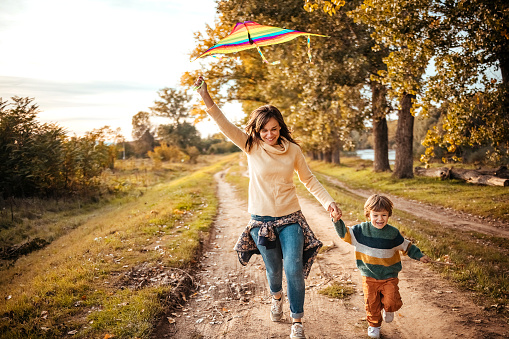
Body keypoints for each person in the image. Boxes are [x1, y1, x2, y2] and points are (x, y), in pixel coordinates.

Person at [193, 76, 342, 339]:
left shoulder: (293, 150)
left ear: (280, 127)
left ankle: (297, 321)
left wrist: (328, 202)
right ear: (257, 131)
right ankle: (276, 298)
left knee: (293, 269)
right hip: (261, 223)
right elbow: (224, 124)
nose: (269, 134)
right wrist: (206, 96)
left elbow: (309, 179)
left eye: (273, 129)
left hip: (291, 220)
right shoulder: (251, 146)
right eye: (264, 130)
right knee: (273, 271)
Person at [331, 194, 430, 339]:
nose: (380, 219)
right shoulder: (360, 231)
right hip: (369, 277)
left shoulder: (393, 233)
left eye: (384, 215)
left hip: (389, 276)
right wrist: (336, 221)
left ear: (388, 215)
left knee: (391, 302)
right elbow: (344, 233)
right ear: (368, 214)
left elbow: (406, 246)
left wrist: (419, 255)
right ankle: (374, 325)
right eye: (375, 215)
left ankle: (388, 309)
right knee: (372, 303)